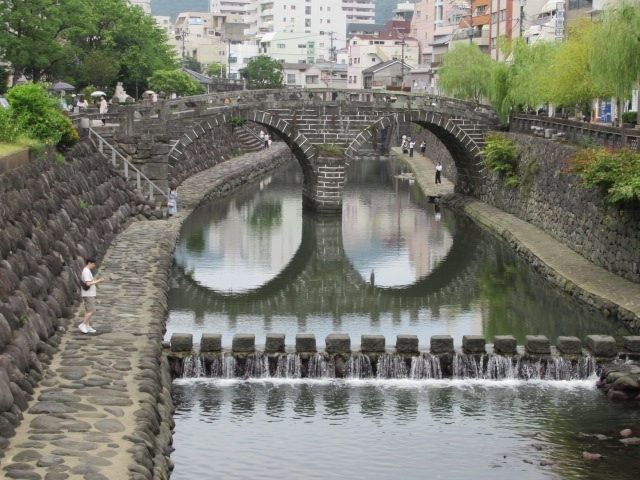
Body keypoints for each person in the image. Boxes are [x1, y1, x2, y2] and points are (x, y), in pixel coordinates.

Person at [79, 259, 104, 333]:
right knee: (92, 310)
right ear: (89, 263)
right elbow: (88, 283)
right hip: (88, 294)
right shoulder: (86, 271)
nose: (94, 265)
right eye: (93, 264)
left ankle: (87, 325)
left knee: (87, 310)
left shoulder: (86, 270)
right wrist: (98, 281)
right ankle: (83, 324)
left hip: (88, 293)